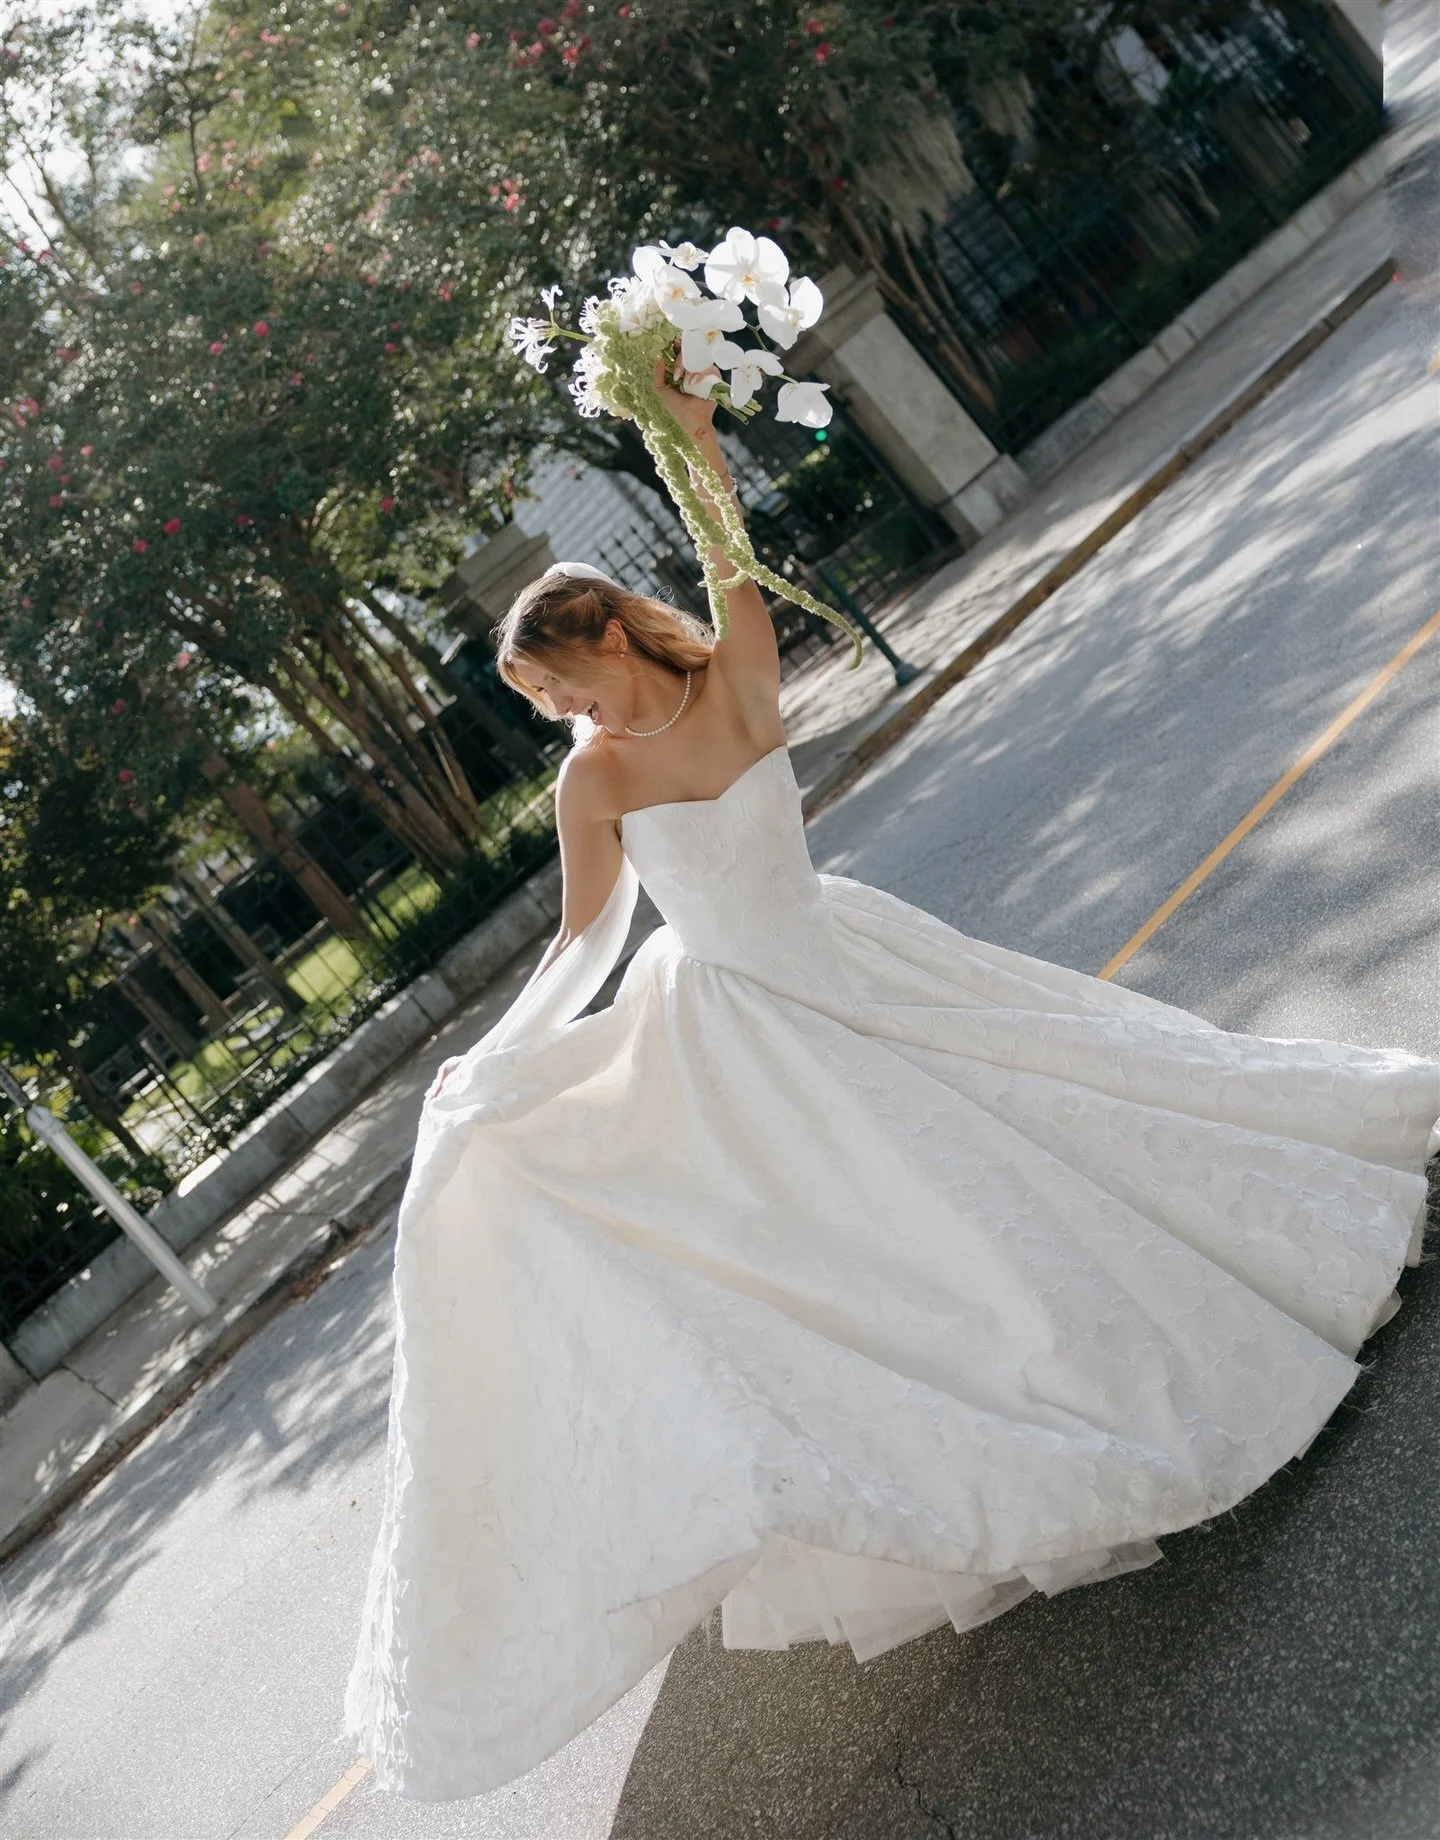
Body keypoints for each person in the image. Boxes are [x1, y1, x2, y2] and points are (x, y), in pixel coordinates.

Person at [346, 371, 1439, 1802]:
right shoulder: (640, 738)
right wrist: (498, 1064)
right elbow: (590, 932)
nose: (557, 710)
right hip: (776, 990)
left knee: (1024, 1128)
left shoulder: (677, 715)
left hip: (801, 988)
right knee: (906, 1210)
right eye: (543, 700)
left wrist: (675, 406)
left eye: (559, 681)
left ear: (610, 629)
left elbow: (717, 569)